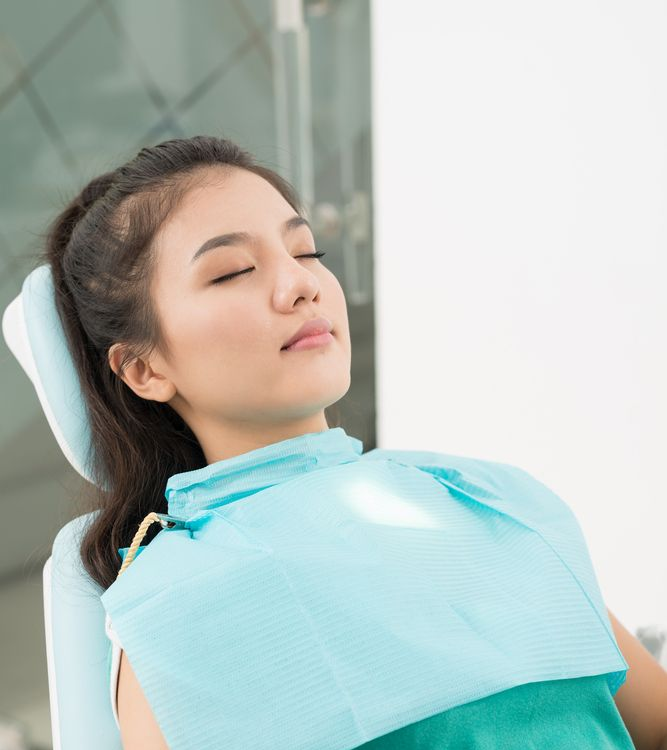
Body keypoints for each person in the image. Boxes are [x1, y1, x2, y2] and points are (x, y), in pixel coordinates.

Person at [38, 135, 658, 750]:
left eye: (307, 252)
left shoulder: (483, 496)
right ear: (143, 369)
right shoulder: (177, 602)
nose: (300, 286)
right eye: (233, 271)